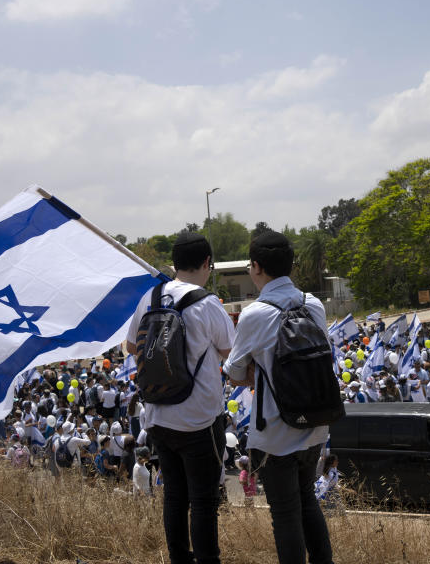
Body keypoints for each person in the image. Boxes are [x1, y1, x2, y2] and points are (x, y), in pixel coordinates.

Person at [124, 232, 235, 564]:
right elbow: (232, 351)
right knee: (203, 501)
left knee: (174, 497)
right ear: (206, 264)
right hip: (199, 418)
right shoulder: (206, 303)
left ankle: (178, 559)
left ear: (173, 264)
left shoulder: (151, 297)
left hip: (158, 415)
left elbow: (131, 346)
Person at [224, 231, 334, 564]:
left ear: (256, 267)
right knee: (307, 501)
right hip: (315, 424)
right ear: (291, 265)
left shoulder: (255, 314)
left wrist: (254, 370)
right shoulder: (312, 304)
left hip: (275, 431)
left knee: (285, 514)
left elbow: (233, 372)